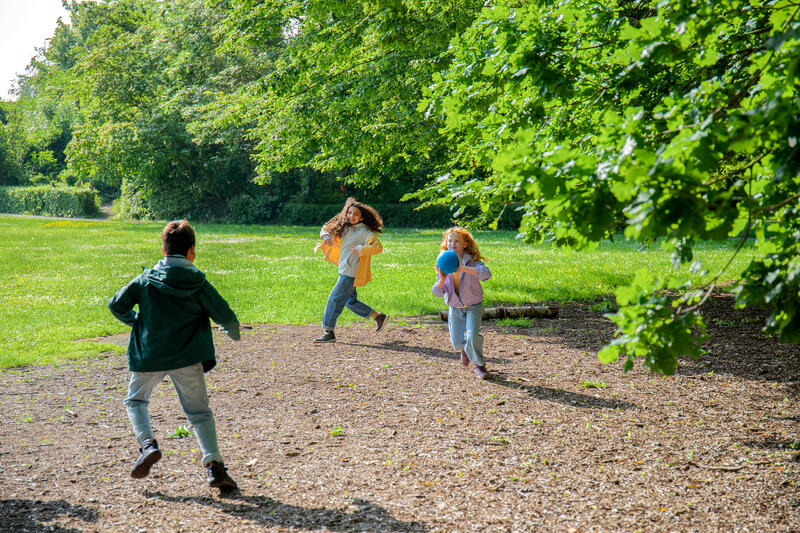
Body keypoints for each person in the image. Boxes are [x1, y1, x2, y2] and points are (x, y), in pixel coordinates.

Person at [108, 220, 240, 492]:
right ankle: (215, 466)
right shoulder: (198, 283)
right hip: (187, 357)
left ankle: (147, 444)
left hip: (150, 355)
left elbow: (116, 304)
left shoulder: (145, 280)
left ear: (163, 249)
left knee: (135, 400)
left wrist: (136, 322)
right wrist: (232, 331)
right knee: (200, 413)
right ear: (192, 251)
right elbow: (224, 314)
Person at [314, 197, 387, 343]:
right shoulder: (344, 227)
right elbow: (326, 227)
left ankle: (328, 331)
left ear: (362, 217)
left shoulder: (365, 232)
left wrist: (361, 249)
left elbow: (378, 247)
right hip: (345, 269)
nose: (351, 217)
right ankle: (378, 317)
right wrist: (326, 236)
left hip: (350, 272)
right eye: (349, 213)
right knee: (349, 301)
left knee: (334, 299)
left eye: (355, 214)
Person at [432, 227, 492, 379]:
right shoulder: (443, 261)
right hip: (455, 307)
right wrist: (443, 279)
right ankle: (464, 349)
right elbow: (437, 293)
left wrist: (462, 268)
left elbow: (486, 274)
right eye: (450, 240)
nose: (452, 243)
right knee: (457, 341)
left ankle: (479, 365)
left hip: (473, 305)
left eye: (457, 241)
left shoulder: (471, 261)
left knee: (472, 335)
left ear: (465, 244)